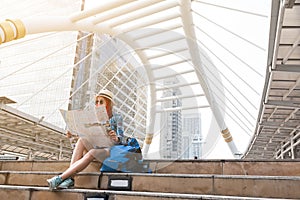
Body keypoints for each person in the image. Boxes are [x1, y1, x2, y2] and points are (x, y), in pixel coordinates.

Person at [47, 89, 124, 189]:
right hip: (98, 147)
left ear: (108, 104)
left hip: (111, 150)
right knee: (82, 139)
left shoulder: (117, 117)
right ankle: (70, 179)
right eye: (96, 102)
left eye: (101, 101)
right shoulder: (94, 117)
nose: (98, 104)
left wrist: (116, 138)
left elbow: (122, 139)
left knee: (92, 152)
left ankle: (61, 178)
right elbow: (88, 134)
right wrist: (73, 133)